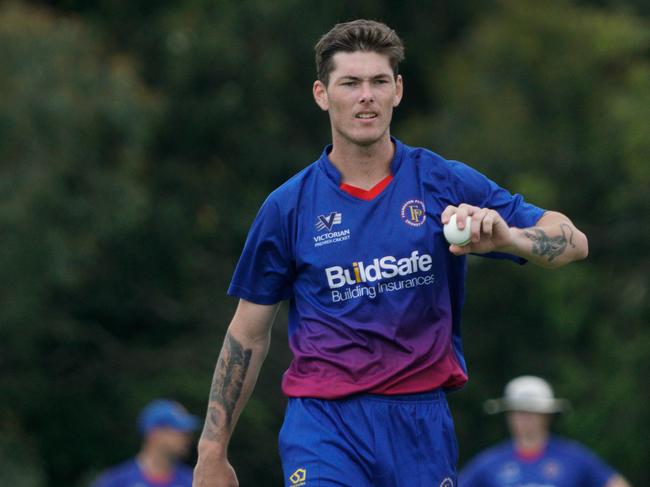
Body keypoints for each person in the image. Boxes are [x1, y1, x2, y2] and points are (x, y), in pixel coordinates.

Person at [193, 19, 589, 487]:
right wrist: (212, 450)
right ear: (322, 94)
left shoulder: (443, 181)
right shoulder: (288, 207)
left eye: (379, 81)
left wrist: (508, 239)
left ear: (397, 90)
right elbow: (248, 336)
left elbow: (572, 241)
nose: (367, 96)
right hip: (324, 425)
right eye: (351, 83)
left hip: (420, 422)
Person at [460, 376, 631, 487]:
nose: (524, 419)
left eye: (531, 412)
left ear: (546, 416)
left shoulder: (574, 458)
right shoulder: (488, 463)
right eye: (518, 412)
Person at [91, 399, 199, 487]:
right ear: (155, 434)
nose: (188, 438)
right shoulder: (116, 481)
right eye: (181, 431)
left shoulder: (192, 481)